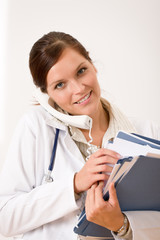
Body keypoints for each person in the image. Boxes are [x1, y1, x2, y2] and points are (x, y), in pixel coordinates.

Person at [0, 31, 160, 240]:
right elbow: (5, 218)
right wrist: (74, 184)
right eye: (60, 84)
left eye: (81, 71)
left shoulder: (146, 131)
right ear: (46, 94)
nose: (78, 89)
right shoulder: (36, 127)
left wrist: (122, 226)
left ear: (92, 65)